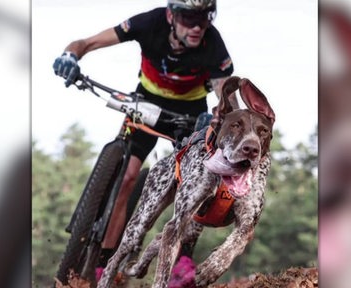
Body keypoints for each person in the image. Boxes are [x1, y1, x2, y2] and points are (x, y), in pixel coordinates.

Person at [53, 0, 238, 274]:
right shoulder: (148, 23)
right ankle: (104, 262)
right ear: (171, 15)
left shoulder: (213, 43)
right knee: (127, 177)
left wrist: (219, 116)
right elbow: (86, 43)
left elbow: (226, 95)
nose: (198, 26)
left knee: (190, 185)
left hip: (189, 113)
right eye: (189, 17)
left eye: (205, 17)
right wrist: (70, 57)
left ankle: (184, 256)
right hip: (147, 102)